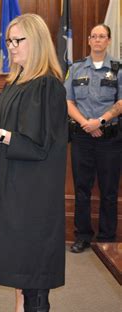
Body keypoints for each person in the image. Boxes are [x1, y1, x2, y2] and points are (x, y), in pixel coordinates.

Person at [0, 14, 67, 312]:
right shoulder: (21, 81)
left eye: (17, 41)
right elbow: (10, 120)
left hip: (33, 198)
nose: (10, 47)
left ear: (35, 41)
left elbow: (38, 144)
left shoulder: (48, 86)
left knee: (33, 277)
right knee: (20, 274)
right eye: (8, 41)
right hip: (15, 191)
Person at [65, 24, 122, 253]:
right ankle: (83, 236)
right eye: (94, 36)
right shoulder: (76, 68)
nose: (98, 40)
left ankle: (107, 236)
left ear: (108, 41)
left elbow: (120, 103)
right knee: (82, 189)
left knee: (109, 190)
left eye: (102, 36)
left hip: (110, 139)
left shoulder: (118, 69)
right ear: (89, 40)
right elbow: (67, 102)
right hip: (82, 138)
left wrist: (100, 121)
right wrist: (86, 124)